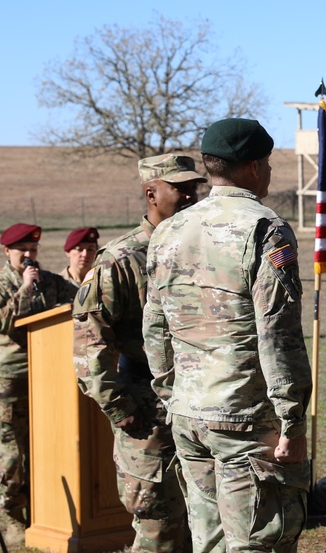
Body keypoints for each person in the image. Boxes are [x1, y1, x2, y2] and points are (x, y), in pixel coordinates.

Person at [143, 118, 312, 552]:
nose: (270, 173)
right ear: (254, 167)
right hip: (244, 415)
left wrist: (171, 394)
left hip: (189, 413)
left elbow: (155, 326)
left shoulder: (168, 230)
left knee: (210, 543)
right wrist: (292, 420)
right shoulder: (264, 228)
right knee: (260, 543)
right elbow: (278, 332)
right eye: (269, 163)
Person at [72, 154, 205, 552]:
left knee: (203, 524)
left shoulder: (199, 249)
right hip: (147, 412)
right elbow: (89, 342)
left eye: (194, 189)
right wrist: (121, 407)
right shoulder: (120, 260)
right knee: (158, 527)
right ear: (151, 193)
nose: (189, 197)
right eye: (179, 189)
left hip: (199, 404)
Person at [0, 222, 77, 545]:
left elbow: (78, 302)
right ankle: (12, 517)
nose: (29, 256)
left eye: (33, 250)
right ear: (7, 251)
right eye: (23, 250)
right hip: (9, 383)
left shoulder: (49, 282)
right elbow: (2, 321)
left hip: (46, 379)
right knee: (12, 455)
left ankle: (42, 511)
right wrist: (23, 289)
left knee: (44, 450)